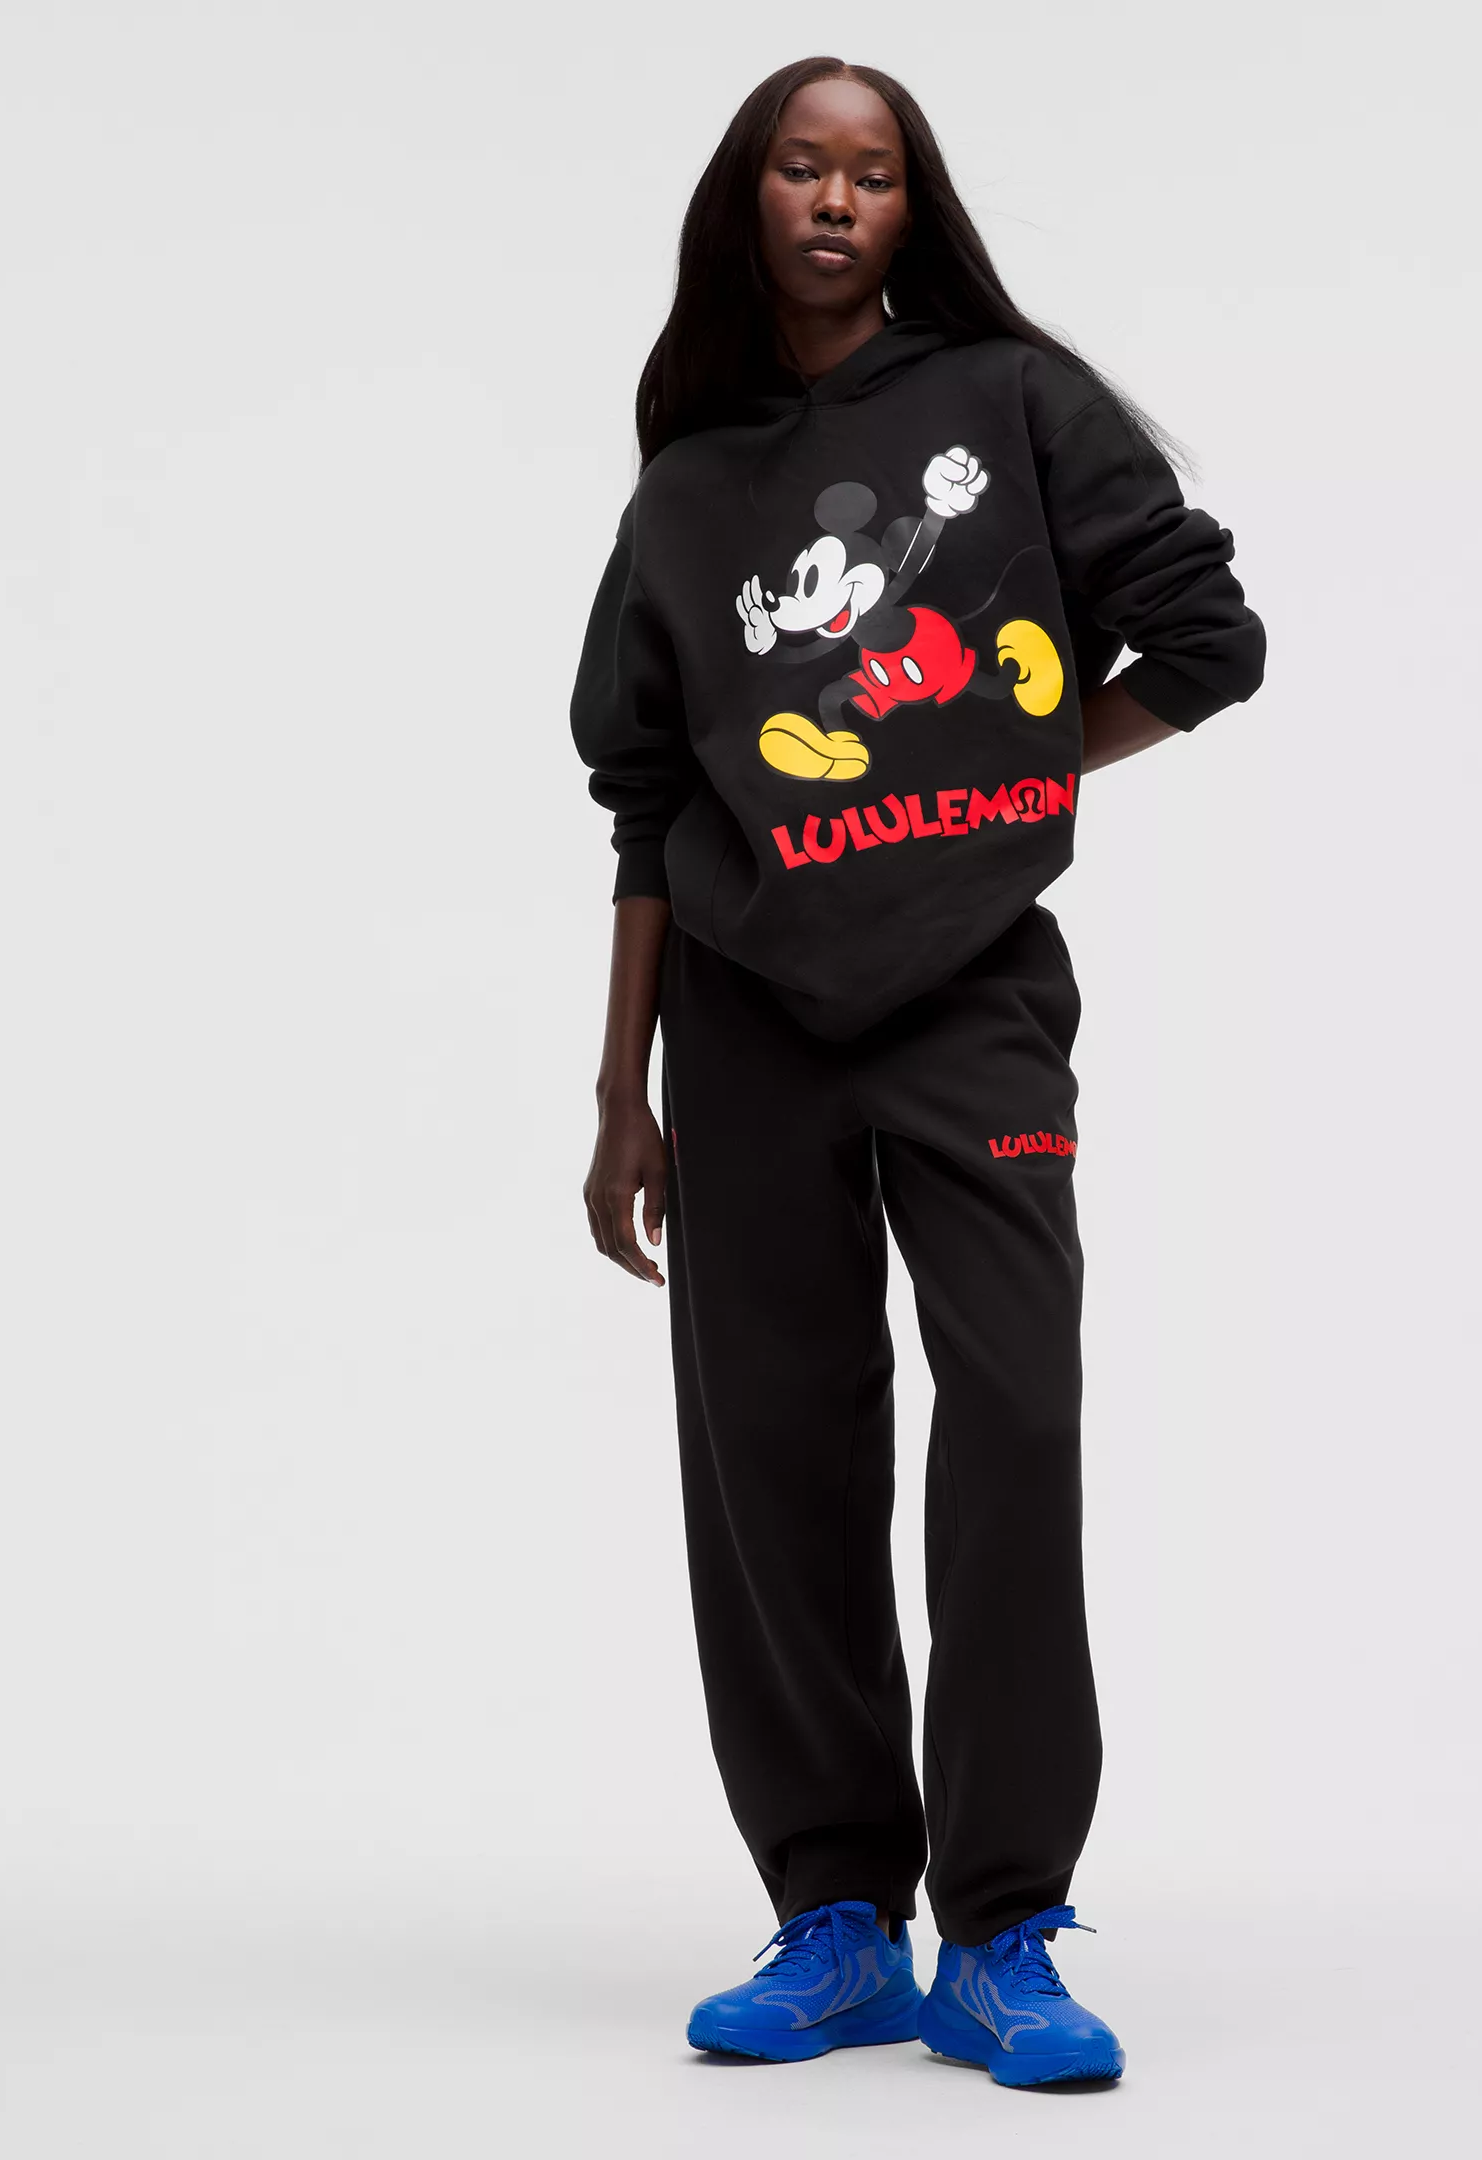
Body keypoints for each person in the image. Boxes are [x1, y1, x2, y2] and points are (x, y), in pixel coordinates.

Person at [569, 55, 1265, 2089]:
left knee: (1015, 1419)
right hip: (743, 1021)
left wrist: (1012, 775)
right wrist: (623, 1090)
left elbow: (1206, 637)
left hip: (972, 999)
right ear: (749, 196)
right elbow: (642, 799)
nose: (834, 198)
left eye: (872, 173)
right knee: (774, 1458)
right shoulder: (688, 488)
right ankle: (839, 1922)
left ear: (912, 205)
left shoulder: (1010, 401)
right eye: (802, 165)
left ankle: (1009, 1932)